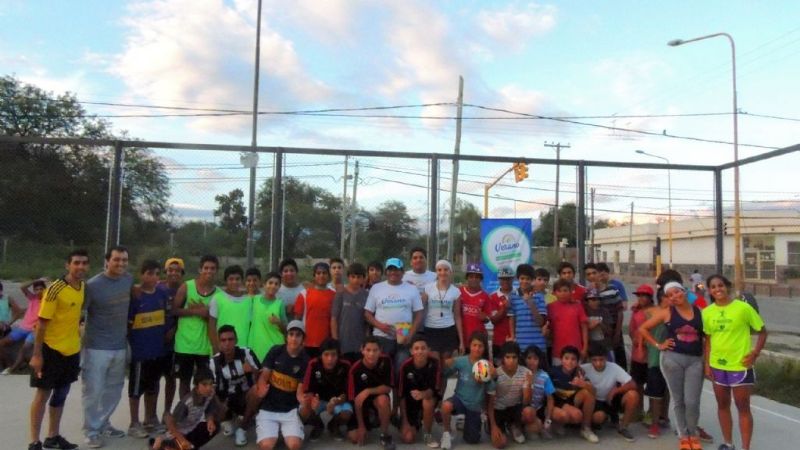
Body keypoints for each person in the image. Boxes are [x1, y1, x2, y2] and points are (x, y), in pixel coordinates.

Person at [27, 250, 89, 450]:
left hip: (71, 351)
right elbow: (41, 325)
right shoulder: (55, 289)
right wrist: (37, 355)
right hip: (50, 350)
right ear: (67, 265)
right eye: (76, 263)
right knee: (42, 395)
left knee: (61, 394)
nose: (80, 267)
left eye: (84, 263)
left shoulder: (82, 287)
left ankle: (52, 436)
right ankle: (34, 441)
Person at [640, 281, 710, 450]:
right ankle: (683, 435)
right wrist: (658, 345)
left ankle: (693, 433)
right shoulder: (667, 313)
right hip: (672, 359)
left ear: (684, 291)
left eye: (677, 292)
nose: (674, 296)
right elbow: (643, 329)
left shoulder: (700, 312)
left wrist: (707, 363)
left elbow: (708, 338)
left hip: (695, 360)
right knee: (678, 400)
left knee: (692, 401)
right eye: (670, 295)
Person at [703, 274, 768, 450]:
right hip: (717, 366)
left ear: (727, 287)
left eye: (720, 285)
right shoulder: (707, 313)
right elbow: (708, 340)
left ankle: (746, 447)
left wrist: (755, 353)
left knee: (743, 407)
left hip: (740, 366)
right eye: (713, 287)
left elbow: (762, 332)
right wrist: (707, 364)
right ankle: (728, 443)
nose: (718, 289)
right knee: (722, 405)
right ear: (709, 290)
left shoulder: (743, 308)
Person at [82, 245, 133, 447]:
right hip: (97, 347)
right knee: (93, 391)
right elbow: (80, 313)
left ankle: (103, 423)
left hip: (120, 345)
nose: (121, 263)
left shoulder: (128, 280)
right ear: (107, 261)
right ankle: (91, 431)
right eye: (116, 259)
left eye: (124, 260)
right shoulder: (92, 285)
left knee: (114, 390)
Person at [127, 260, 171, 439]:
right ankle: (134, 423)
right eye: (150, 273)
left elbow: (167, 315)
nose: (154, 277)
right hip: (140, 352)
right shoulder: (135, 296)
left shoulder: (162, 293)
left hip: (157, 350)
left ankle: (150, 419)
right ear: (142, 275)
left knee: (153, 387)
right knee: (136, 390)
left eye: (157, 274)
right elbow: (128, 324)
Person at [253, 320, 309, 450]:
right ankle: (274, 432)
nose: (294, 338)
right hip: (269, 408)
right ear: (286, 336)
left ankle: (282, 432)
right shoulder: (275, 351)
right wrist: (261, 388)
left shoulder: (306, 360)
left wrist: (303, 400)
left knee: (294, 446)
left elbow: (300, 391)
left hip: (290, 410)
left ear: (303, 339)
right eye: (291, 334)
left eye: (298, 335)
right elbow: (264, 375)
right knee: (266, 446)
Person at [364, 257, 424, 372]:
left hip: (404, 337)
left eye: (396, 269)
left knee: (401, 370)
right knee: (382, 370)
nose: (393, 272)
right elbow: (367, 314)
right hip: (382, 337)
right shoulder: (376, 288)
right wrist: (381, 326)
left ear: (402, 272)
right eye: (390, 269)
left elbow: (419, 313)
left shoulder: (412, 288)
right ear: (386, 272)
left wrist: (411, 334)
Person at [440, 331, 495, 449]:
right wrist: (446, 364)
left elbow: (491, 389)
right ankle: (446, 433)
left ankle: (467, 422)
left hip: (475, 406)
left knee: (472, 440)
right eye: (474, 345)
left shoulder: (486, 365)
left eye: (480, 346)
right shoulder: (461, 361)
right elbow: (445, 374)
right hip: (459, 399)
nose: (477, 348)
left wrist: (489, 377)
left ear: (484, 348)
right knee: (446, 406)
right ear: (469, 346)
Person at [173, 255, 218, 399]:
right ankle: (186, 409)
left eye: (212, 268)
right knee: (184, 381)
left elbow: (217, 320)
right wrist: (195, 311)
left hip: (205, 347)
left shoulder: (219, 294)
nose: (209, 271)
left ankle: (202, 409)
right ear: (200, 269)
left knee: (205, 382)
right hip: (185, 344)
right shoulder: (187, 286)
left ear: (216, 271)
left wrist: (206, 314)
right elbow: (174, 310)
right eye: (206, 268)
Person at [209, 325, 260, 447]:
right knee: (211, 400)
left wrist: (252, 370)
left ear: (236, 340)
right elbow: (211, 390)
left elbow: (262, 377)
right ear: (219, 343)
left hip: (246, 396)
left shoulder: (246, 353)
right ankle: (228, 420)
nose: (227, 343)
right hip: (226, 399)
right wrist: (219, 406)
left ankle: (242, 428)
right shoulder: (213, 362)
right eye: (223, 340)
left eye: (230, 339)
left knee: (257, 390)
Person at [149, 367, 222, 450]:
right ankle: (160, 442)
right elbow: (168, 419)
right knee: (175, 444)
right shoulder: (187, 402)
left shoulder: (210, 394)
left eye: (211, 384)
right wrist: (182, 440)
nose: (208, 388)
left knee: (216, 425)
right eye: (204, 384)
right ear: (196, 385)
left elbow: (210, 407)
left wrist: (210, 420)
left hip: (191, 429)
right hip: (179, 434)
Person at [581, 342, 640, 442]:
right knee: (599, 417)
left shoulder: (613, 367)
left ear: (606, 358)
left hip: (611, 399)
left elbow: (633, 384)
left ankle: (623, 427)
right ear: (590, 359)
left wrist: (615, 390)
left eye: (601, 360)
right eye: (594, 360)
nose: (598, 363)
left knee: (633, 395)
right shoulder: (584, 369)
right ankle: (596, 422)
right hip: (595, 402)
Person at [346, 336, 396, 450]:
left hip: (377, 398)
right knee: (354, 437)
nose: (371, 354)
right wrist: (361, 426)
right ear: (362, 350)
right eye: (368, 350)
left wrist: (368, 391)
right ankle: (369, 421)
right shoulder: (355, 370)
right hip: (362, 404)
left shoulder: (386, 361)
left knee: (383, 400)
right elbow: (356, 401)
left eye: (375, 350)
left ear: (380, 350)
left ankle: (385, 435)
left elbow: (388, 388)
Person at [300, 338, 352, 441]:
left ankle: (334, 425)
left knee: (346, 414)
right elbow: (306, 389)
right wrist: (312, 400)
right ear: (321, 355)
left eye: (333, 355)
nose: (330, 359)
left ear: (338, 355)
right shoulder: (313, 364)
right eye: (326, 355)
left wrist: (336, 402)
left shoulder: (346, 365)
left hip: (337, 400)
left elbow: (347, 393)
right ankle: (318, 424)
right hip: (318, 399)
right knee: (303, 411)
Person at [398, 334, 441, 448]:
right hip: (411, 404)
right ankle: (406, 422)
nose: (420, 351)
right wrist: (405, 421)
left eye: (423, 348)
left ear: (428, 350)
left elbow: (434, 389)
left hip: (428, 398)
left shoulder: (434, 364)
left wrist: (423, 394)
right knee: (408, 438)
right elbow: (401, 396)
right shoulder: (405, 367)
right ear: (411, 351)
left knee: (427, 401)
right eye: (416, 348)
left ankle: (427, 433)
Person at [548, 346, 599, 443]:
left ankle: (586, 428)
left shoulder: (579, 372)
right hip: (554, 403)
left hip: (570, 401)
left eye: (573, 359)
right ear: (561, 360)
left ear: (577, 361)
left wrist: (583, 384)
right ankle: (556, 424)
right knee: (563, 415)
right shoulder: (552, 372)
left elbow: (594, 392)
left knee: (587, 395)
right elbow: (545, 394)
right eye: (566, 358)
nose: (569, 362)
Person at [488, 341, 532, 448]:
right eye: (507, 357)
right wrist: (493, 426)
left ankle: (514, 425)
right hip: (498, 410)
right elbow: (489, 403)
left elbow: (526, 401)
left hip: (515, 408)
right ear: (503, 358)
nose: (511, 361)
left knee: (529, 413)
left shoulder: (526, 373)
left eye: (514, 357)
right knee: (500, 443)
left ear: (518, 357)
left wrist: (528, 385)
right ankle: (494, 426)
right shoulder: (495, 374)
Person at [1, 279, 45, 375]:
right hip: (23, 328)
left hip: (35, 330)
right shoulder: (32, 298)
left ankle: (12, 369)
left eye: (41, 289)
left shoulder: (47, 301)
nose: (39, 291)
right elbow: (22, 287)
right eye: (36, 289)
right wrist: (36, 280)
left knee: (25, 348)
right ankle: (9, 365)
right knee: (2, 343)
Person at [421, 259, 463, 361]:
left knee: (445, 362)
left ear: (450, 272)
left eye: (446, 270)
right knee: (434, 360)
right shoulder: (428, 288)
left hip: (448, 329)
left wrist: (461, 341)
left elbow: (457, 316)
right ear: (436, 272)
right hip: (431, 329)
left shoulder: (456, 291)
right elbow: (420, 309)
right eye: (439, 270)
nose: (442, 272)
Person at [159, 258, 184, 423]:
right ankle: (150, 416)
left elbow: (184, 314)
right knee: (153, 380)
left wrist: (174, 329)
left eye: (177, 270)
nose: (173, 273)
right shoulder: (158, 288)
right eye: (170, 270)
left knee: (171, 378)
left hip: (175, 342)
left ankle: (167, 412)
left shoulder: (185, 290)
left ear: (182, 273)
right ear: (165, 272)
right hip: (156, 340)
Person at [293, 261, 335, 358]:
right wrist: (298, 340)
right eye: (318, 273)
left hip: (326, 344)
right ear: (314, 276)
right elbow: (297, 320)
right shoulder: (304, 294)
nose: (321, 275)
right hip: (307, 343)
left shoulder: (334, 295)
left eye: (324, 273)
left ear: (329, 276)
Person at [331, 263, 369, 363]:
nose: (356, 280)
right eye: (353, 277)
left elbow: (367, 321)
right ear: (348, 277)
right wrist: (335, 340)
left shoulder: (366, 295)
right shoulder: (340, 294)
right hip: (343, 341)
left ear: (363, 278)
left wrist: (366, 341)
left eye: (359, 277)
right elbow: (334, 318)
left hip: (360, 342)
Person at [208, 265, 252, 351]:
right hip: (223, 349)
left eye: (237, 279)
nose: (234, 282)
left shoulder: (248, 300)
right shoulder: (217, 298)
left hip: (243, 348)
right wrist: (216, 347)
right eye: (231, 279)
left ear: (242, 280)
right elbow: (211, 326)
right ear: (226, 281)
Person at [548, 279, 589, 366]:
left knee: (577, 373)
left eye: (565, 290)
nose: (562, 293)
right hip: (558, 351)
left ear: (570, 292)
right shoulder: (550, 307)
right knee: (558, 373)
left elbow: (584, 327)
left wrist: (585, 347)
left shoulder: (577, 306)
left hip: (576, 350)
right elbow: (548, 329)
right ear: (554, 293)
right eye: (559, 291)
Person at [508, 265, 548, 355]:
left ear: (532, 280)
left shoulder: (539, 296)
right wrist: (513, 337)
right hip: (520, 345)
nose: (525, 281)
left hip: (538, 345)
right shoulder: (513, 296)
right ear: (517, 279)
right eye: (522, 278)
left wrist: (530, 303)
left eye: (528, 279)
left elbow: (540, 322)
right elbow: (512, 319)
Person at [248, 272, 287, 363]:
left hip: (274, 347)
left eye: (276, 284)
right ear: (264, 284)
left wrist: (278, 322)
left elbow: (286, 330)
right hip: (256, 347)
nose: (273, 286)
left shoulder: (280, 304)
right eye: (270, 283)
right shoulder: (254, 300)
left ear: (279, 287)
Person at [629, 284, 655, 418]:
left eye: (644, 296)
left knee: (652, 385)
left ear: (650, 298)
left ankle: (651, 412)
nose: (641, 298)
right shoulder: (636, 312)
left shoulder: (655, 312)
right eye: (639, 296)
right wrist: (635, 339)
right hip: (637, 354)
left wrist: (647, 342)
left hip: (651, 354)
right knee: (637, 384)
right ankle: (638, 410)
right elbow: (631, 329)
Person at [594, 264, 626, 368]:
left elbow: (620, 311)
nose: (601, 277)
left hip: (614, 328)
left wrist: (617, 332)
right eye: (598, 274)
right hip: (599, 330)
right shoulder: (590, 292)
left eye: (603, 274)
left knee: (619, 355)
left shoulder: (613, 289)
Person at [522, 346, 555, 439]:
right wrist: (529, 383)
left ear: (540, 360)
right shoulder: (521, 373)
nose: (532, 361)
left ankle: (536, 425)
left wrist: (548, 419)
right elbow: (524, 401)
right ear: (524, 359)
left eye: (535, 359)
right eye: (529, 358)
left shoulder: (544, 376)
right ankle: (522, 426)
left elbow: (550, 399)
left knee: (538, 429)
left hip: (538, 408)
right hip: (524, 409)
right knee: (535, 429)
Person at [459, 263, 491, 356]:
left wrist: (485, 318)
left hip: (478, 341)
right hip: (462, 338)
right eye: (471, 276)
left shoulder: (485, 296)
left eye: (477, 277)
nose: (474, 279)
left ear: (481, 279)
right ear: (467, 278)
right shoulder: (459, 292)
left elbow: (488, 318)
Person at [486, 267, 513, 361]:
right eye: (503, 279)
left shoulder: (518, 295)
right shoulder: (493, 297)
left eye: (508, 278)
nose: (505, 281)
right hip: (498, 341)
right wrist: (505, 307)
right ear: (499, 279)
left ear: (512, 279)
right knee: (498, 368)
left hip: (515, 341)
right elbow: (494, 320)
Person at [584, 288, 612, 358]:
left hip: (603, 344)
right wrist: (590, 326)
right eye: (592, 300)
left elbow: (609, 331)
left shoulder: (604, 311)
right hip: (589, 345)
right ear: (587, 301)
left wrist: (600, 324)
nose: (595, 302)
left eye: (597, 299)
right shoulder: (584, 312)